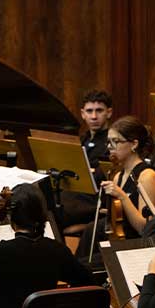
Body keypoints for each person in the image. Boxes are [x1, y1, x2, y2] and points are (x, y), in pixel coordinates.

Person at [76, 116, 155, 259]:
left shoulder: (147, 177)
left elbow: (144, 228)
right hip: (116, 242)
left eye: (116, 142)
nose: (110, 147)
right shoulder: (118, 176)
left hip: (134, 248)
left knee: (86, 266)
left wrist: (121, 196)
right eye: (109, 142)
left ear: (134, 144)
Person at [60, 90, 113, 227]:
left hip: (94, 199)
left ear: (109, 112)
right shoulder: (82, 139)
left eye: (99, 111)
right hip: (76, 194)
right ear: (83, 114)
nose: (94, 116)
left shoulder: (113, 140)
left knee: (55, 210)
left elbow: (105, 174)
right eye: (89, 111)